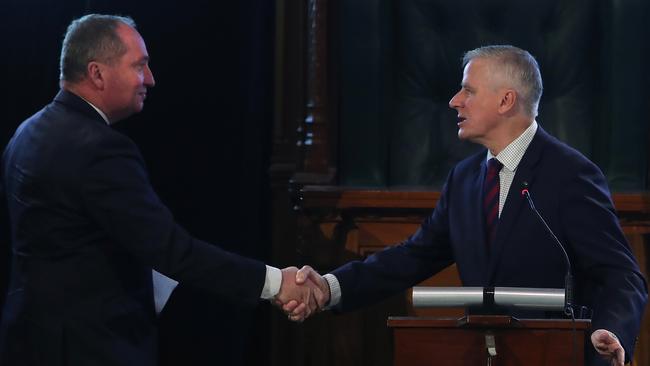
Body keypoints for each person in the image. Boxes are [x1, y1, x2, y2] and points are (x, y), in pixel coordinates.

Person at [283, 45, 648, 366]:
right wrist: (329, 287)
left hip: (556, 356)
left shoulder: (571, 175)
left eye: (468, 91)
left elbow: (622, 275)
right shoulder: (465, 178)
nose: (455, 100)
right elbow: (413, 256)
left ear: (506, 101)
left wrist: (611, 330)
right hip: (483, 354)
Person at [0, 14, 322, 366]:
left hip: (29, 340)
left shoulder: (27, 133)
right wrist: (277, 283)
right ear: (97, 73)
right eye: (139, 66)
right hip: (89, 348)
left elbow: (69, 242)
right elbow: (174, 251)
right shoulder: (99, 149)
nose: (150, 80)